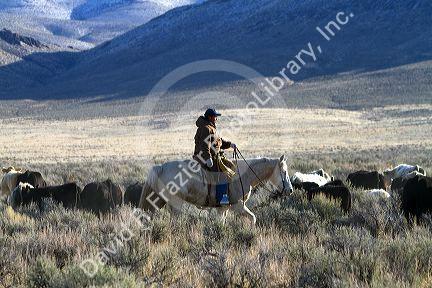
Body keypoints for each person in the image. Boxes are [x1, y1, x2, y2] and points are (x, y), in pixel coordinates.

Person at [193, 108, 237, 205]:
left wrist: (230, 145)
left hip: (213, 157)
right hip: (204, 158)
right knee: (223, 174)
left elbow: (218, 142)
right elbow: (205, 145)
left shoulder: (211, 127)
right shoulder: (206, 128)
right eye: (215, 116)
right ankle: (221, 199)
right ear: (210, 117)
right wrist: (208, 158)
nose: (216, 118)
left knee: (229, 168)